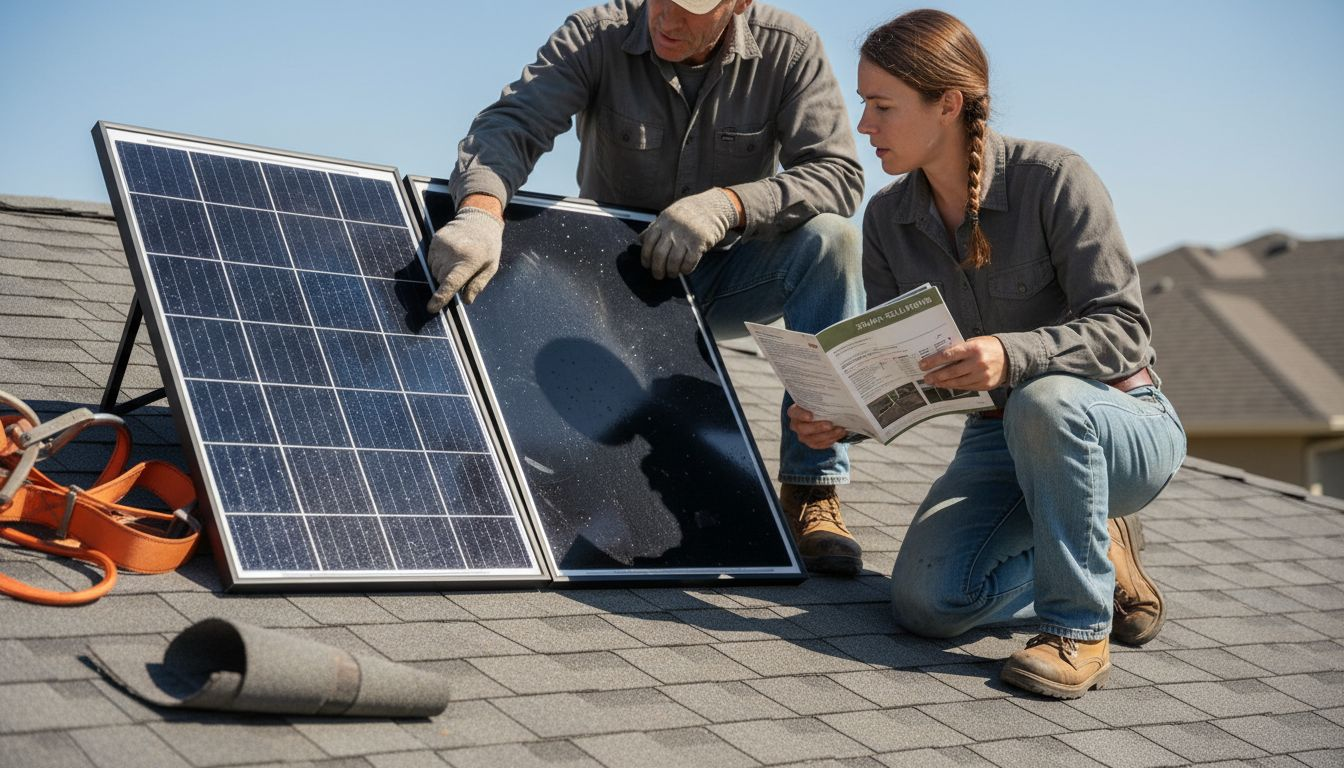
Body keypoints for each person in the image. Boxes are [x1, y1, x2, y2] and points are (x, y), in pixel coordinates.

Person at [788, 9, 1187, 697]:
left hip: (1118, 421)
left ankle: (1076, 631)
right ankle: (1091, 538)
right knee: (927, 605)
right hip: (998, 438)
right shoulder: (885, 221)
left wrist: (1013, 352)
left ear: (947, 104)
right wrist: (845, 418)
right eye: (864, 105)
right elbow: (912, 373)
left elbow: (1126, 330)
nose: (863, 126)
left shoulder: (1056, 179)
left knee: (1045, 397)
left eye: (881, 106)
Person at [426, 0, 869, 575]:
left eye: (689, 9)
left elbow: (836, 174)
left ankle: (813, 488)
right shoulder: (599, 32)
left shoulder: (789, 47)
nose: (665, 20)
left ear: (738, 5)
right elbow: (513, 123)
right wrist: (482, 210)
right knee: (525, 270)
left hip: (719, 276)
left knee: (832, 242)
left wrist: (729, 205)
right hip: (609, 289)